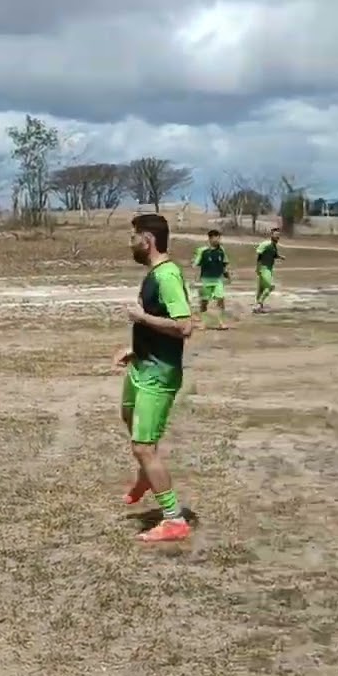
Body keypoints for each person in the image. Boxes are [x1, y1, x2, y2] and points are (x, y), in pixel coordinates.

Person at [114, 213, 194, 543]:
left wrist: (141, 317)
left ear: (147, 239)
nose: (129, 243)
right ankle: (147, 475)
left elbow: (184, 325)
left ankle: (173, 519)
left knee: (143, 445)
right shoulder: (154, 274)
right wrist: (135, 350)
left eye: (133, 236)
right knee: (128, 417)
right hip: (143, 366)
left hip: (158, 375)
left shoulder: (168, 276)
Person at [192, 228, 232, 329]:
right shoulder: (203, 251)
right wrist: (196, 280)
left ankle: (221, 323)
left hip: (218, 280)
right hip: (205, 280)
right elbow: (195, 265)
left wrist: (228, 276)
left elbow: (224, 265)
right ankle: (203, 323)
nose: (217, 240)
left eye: (218, 238)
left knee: (221, 299)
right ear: (210, 239)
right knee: (204, 302)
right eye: (215, 238)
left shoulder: (222, 250)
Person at [253, 228, 284, 313]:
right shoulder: (266, 244)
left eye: (278, 235)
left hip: (268, 269)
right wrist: (258, 268)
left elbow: (274, 255)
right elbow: (259, 256)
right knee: (270, 286)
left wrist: (279, 257)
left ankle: (258, 306)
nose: (277, 237)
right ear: (271, 235)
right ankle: (259, 304)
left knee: (261, 289)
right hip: (264, 268)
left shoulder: (274, 246)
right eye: (276, 235)